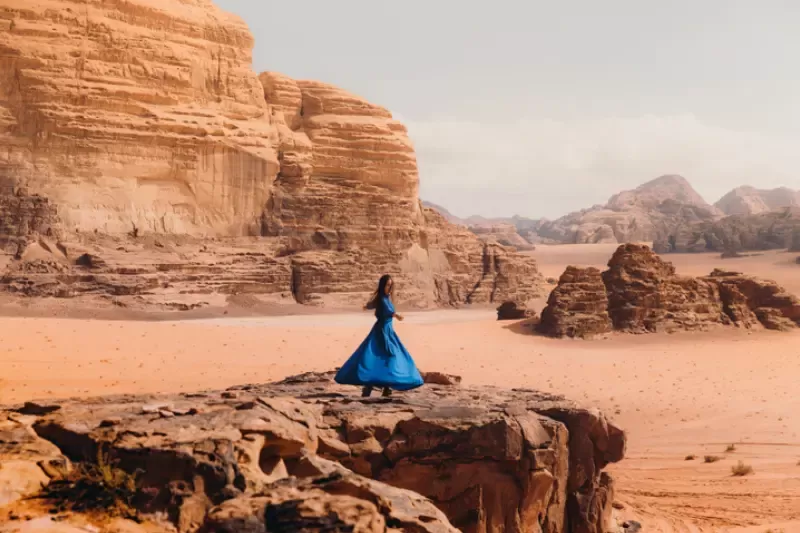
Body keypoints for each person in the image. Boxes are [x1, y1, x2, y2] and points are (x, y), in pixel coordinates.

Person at [334, 274, 424, 397]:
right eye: (388, 285)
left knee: (384, 357)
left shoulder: (386, 298)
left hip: (388, 330)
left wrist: (367, 306)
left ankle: (383, 386)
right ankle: (372, 386)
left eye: (391, 285)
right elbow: (387, 310)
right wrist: (396, 315)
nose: (390, 288)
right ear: (383, 285)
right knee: (381, 356)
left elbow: (372, 305)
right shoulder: (382, 298)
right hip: (381, 331)